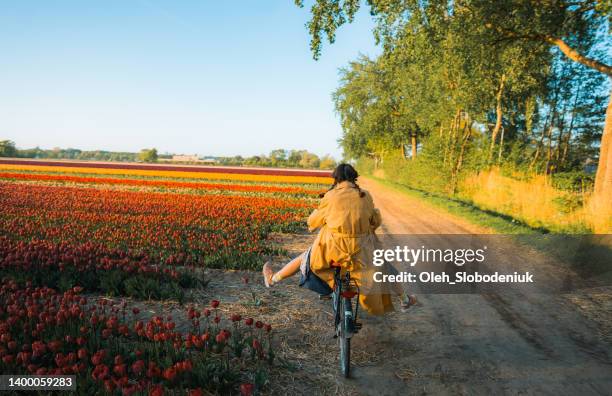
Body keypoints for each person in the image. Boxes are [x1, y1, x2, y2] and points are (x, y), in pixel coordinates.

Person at [262, 163, 416, 315]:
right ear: (354, 178)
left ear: (336, 178)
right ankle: (404, 299)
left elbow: (313, 222)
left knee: (306, 257)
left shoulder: (330, 196)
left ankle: (273, 279)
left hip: (331, 252)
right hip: (362, 251)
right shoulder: (365, 195)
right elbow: (375, 221)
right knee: (386, 268)